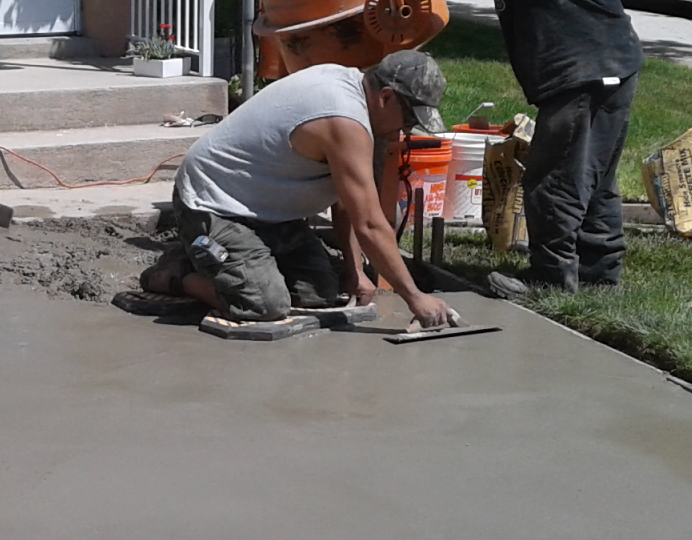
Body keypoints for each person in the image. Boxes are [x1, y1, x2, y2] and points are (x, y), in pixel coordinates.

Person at [354, 0, 645, 298]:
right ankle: (599, 277)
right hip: (598, 64)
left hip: (588, 67)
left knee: (555, 176)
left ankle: (551, 278)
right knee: (592, 176)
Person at [144, 51, 463, 330]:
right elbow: (369, 223)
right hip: (214, 203)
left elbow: (346, 204)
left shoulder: (359, 99)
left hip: (267, 210)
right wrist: (415, 297)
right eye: (409, 118)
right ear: (387, 97)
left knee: (319, 295)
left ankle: (235, 266)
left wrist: (354, 272)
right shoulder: (344, 119)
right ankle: (178, 271)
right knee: (263, 305)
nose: (406, 129)